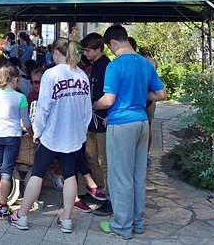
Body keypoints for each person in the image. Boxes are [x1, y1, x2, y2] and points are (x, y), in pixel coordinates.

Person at [9, 38, 92, 234]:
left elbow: (43, 107)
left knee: (38, 172)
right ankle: (67, 220)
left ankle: (22, 216)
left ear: (55, 52)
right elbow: (87, 109)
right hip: (74, 135)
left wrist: (37, 131)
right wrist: (81, 131)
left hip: (52, 134)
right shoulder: (81, 75)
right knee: (70, 174)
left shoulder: (51, 74)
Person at [94, 25, 166, 239]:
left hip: (122, 124)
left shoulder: (115, 66)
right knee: (137, 175)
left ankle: (121, 225)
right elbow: (161, 94)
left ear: (113, 43)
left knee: (120, 176)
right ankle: (137, 223)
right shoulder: (145, 63)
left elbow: (108, 100)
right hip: (142, 122)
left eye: (109, 48)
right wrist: (138, 96)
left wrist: (93, 104)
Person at [0, 65, 31, 221]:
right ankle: (3, 206)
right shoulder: (21, 97)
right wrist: (31, 133)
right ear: (16, 79)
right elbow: (26, 121)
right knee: (6, 171)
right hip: (12, 136)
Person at [81, 32, 112, 216]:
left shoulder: (107, 66)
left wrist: (109, 113)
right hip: (91, 119)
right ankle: (97, 190)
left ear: (98, 49)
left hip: (103, 118)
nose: (85, 54)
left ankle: (108, 197)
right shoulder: (94, 65)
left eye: (87, 50)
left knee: (104, 159)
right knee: (91, 155)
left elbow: (111, 95)